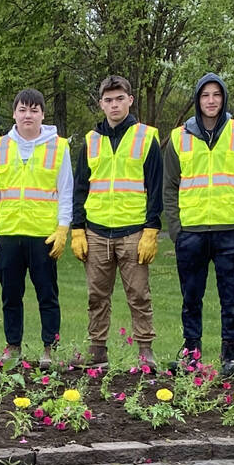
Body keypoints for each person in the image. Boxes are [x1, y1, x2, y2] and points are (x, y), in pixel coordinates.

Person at [162, 73, 234, 378]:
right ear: (197, 100)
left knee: (231, 298)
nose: (211, 100)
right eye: (205, 95)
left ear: (224, 98)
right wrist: (176, 230)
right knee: (191, 298)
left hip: (231, 232)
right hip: (191, 233)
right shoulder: (179, 138)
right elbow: (169, 188)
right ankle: (191, 354)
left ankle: (230, 355)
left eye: (216, 94)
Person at [69, 74, 161, 368]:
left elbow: (156, 187)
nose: (114, 105)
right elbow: (80, 187)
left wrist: (151, 230)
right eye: (108, 100)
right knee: (97, 296)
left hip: (134, 231)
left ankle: (146, 351)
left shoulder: (146, 137)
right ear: (101, 104)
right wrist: (77, 229)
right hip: (96, 231)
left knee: (139, 295)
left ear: (130, 100)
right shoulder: (90, 140)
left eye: (120, 98)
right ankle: (97, 350)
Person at [0, 88, 72, 358]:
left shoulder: (58, 146)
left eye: (34, 110)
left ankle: (49, 349)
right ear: (14, 113)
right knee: (10, 295)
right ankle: (13, 346)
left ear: (43, 114)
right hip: (8, 234)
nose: (28, 115)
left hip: (44, 235)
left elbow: (65, 191)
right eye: (22, 109)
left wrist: (63, 228)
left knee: (47, 295)